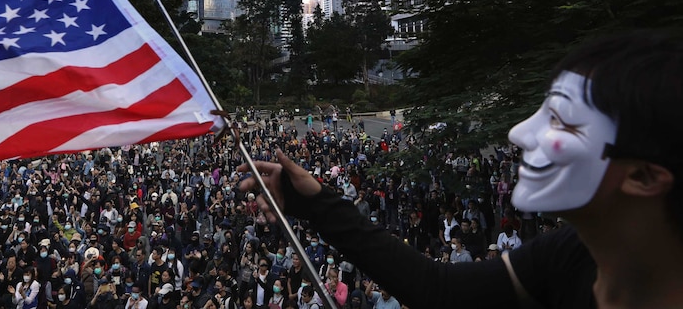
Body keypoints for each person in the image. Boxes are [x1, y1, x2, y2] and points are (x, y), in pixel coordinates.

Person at [239, 31, 683, 308]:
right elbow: (437, 290)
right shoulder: (570, 256)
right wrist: (319, 204)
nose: (518, 134)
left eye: (561, 120)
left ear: (644, 177)